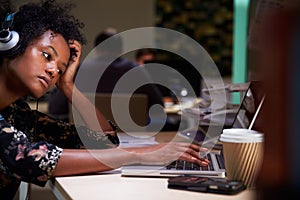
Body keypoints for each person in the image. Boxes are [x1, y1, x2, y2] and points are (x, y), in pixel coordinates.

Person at [0, 1, 209, 199]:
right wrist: (139, 154)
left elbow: (104, 142)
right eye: (47, 56)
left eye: (61, 69)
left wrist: (68, 86)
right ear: (9, 44)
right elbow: (27, 158)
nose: (54, 70)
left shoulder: (18, 115)